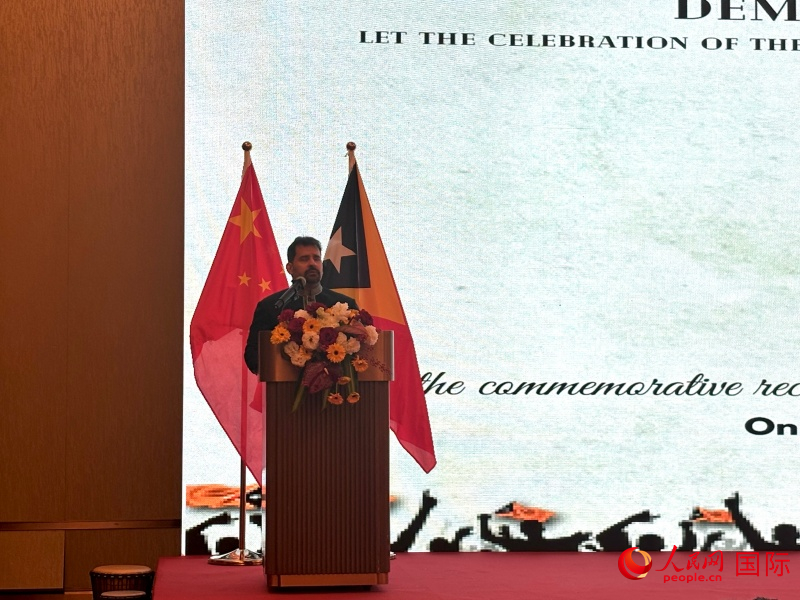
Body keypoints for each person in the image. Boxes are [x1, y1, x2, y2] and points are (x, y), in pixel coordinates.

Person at [244, 236, 358, 374]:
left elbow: (361, 350)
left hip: (338, 384)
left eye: (316, 258)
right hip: (285, 385)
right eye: (304, 259)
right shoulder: (271, 306)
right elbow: (253, 356)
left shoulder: (344, 305)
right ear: (290, 268)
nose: (312, 263)